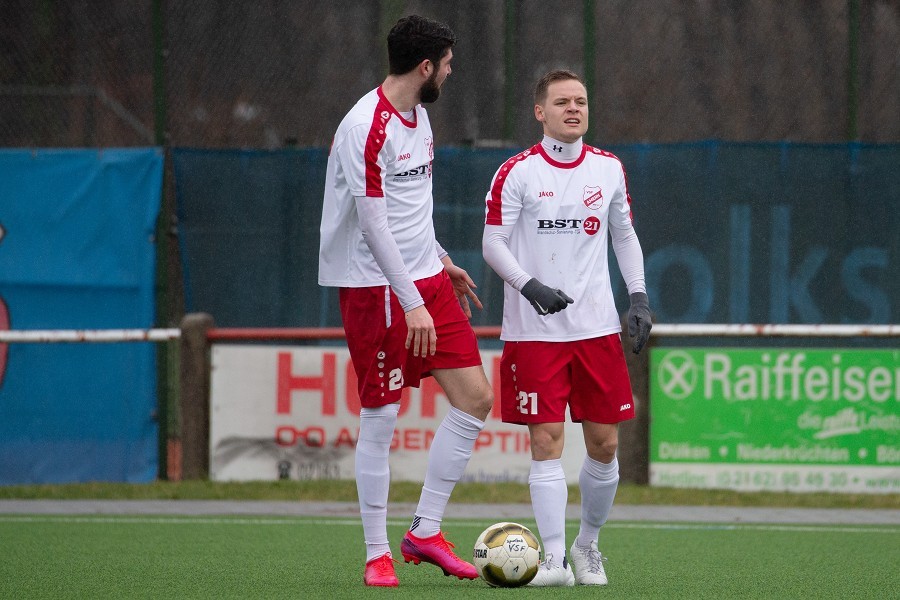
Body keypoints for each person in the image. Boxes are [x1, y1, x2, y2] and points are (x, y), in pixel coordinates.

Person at [318, 15, 493, 588]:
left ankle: (424, 531)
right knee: (381, 418)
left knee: (475, 398)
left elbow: (410, 210)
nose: (450, 70)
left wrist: (441, 260)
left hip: (426, 281)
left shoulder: (419, 118)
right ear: (425, 67)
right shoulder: (365, 127)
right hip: (379, 291)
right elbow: (373, 226)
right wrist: (410, 300)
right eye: (445, 62)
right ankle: (376, 553)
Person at [481, 69, 652, 587]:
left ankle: (586, 546)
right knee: (547, 440)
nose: (573, 109)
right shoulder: (516, 172)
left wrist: (638, 296)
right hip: (534, 333)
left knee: (604, 444)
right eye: (562, 102)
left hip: (596, 329)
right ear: (541, 112)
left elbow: (624, 235)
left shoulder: (608, 169)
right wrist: (530, 287)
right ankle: (553, 562)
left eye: (580, 101)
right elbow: (492, 243)